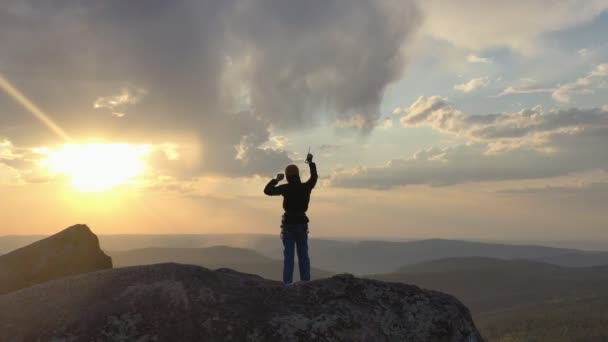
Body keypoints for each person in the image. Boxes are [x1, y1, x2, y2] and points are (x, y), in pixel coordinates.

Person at [264, 153, 318, 284]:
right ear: (298, 175)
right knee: (303, 255)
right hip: (301, 224)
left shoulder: (286, 188)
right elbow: (314, 177)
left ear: (287, 176)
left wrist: (276, 180)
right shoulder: (306, 187)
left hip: (288, 224)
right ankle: (306, 282)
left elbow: (268, 191)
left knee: (289, 256)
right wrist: (310, 162)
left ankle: (287, 284)